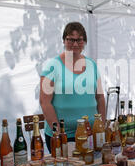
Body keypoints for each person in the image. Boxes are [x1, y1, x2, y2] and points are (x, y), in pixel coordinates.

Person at [40, 22, 106, 153]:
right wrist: (58, 133)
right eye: (70, 39)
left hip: (90, 134)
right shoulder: (52, 65)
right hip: (64, 136)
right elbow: (44, 102)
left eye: (79, 40)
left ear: (84, 42)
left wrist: (101, 126)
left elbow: (100, 97)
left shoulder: (92, 65)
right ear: (64, 40)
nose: (75, 44)